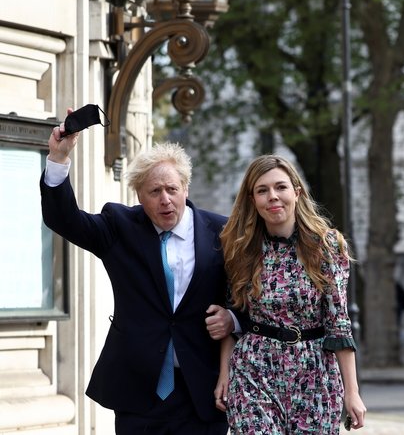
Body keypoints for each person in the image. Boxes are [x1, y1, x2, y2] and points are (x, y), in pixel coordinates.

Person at [40, 111, 234, 434]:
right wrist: (58, 159)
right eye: (154, 192)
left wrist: (232, 319)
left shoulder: (221, 233)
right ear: (138, 196)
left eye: (172, 189)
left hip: (202, 391)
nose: (166, 200)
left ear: (185, 187)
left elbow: (245, 296)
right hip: (138, 392)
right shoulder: (120, 226)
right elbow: (65, 220)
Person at [214, 154, 366, 433]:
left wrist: (352, 391)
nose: (273, 196)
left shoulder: (327, 245)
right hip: (253, 371)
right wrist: (225, 372)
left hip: (315, 374)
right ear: (252, 200)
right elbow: (233, 316)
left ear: (296, 192)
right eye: (262, 190)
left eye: (280, 187)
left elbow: (339, 323)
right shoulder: (240, 249)